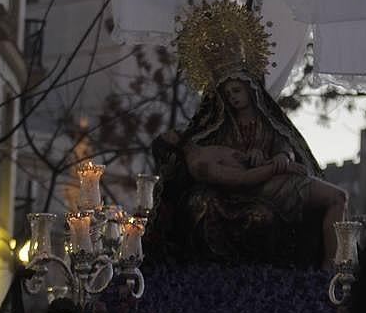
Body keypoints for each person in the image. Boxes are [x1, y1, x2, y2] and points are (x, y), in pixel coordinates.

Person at [148, 73, 346, 269]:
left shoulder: (269, 122)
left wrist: (283, 157)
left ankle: (333, 268)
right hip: (259, 187)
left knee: (337, 197)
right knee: (334, 197)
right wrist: (266, 164)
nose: (233, 96)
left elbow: (285, 146)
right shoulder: (219, 130)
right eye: (228, 93)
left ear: (251, 90)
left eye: (237, 90)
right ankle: (330, 271)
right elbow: (238, 176)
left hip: (279, 178)